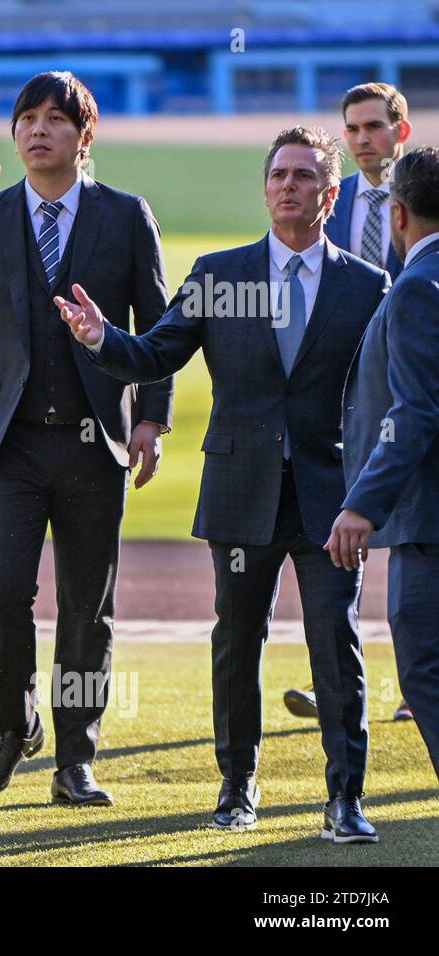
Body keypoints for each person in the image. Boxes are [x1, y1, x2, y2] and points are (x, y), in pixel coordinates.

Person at [57, 127, 390, 842]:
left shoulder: (367, 287)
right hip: (242, 492)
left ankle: (345, 799)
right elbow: (154, 354)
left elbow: (389, 396)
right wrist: (100, 339)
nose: (287, 186)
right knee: (237, 643)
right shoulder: (219, 274)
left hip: (333, 500)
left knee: (337, 643)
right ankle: (237, 788)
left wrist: (374, 494)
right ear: (265, 187)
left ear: (330, 195)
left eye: (304, 176)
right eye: (277, 175)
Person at [0, 72, 173, 808]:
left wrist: (151, 419)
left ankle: (76, 757)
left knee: (85, 609)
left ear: (84, 135)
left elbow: (157, 329)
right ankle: (13, 726)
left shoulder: (127, 217)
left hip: (93, 443)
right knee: (0, 594)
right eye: (26, 118)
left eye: (55, 119)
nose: (38, 130)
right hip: (7, 445)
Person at [286, 81, 414, 722]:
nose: (364, 139)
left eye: (374, 127)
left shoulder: (426, 199)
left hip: (415, 390)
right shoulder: (331, 209)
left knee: (421, 540)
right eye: (353, 129)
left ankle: (421, 677)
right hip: (344, 401)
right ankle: (331, 672)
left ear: (401, 131)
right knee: (346, 537)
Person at [328, 146, 439, 780]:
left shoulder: (418, 287)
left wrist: (363, 505)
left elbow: (416, 411)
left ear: (397, 214)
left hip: (426, 521)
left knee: (424, 667)